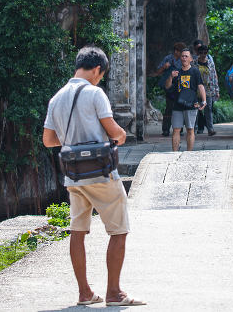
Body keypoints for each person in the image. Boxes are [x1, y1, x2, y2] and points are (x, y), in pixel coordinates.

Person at [42, 46, 144, 307]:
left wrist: (74, 140)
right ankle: (114, 293)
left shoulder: (57, 98)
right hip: (100, 173)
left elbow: (49, 140)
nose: (100, 79)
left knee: (77, 231)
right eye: (101, 74)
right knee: (119, 230)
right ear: (97, 69)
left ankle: (85, 293)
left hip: (73, 175)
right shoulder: (95, 93)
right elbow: (113, 131)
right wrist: (120, 135)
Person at [164, 49, 206, 152]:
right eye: (182, 56)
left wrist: (204, 101)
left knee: (190, 129)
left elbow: (200, 86)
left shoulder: (195, 71)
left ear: (191, 59)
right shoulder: (176, 71)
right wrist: (170, 76)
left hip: (191, 104)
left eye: (186, 56)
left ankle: (189, 153)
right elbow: (167, 86)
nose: (184, 58)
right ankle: (175, 153)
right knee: (176, 129)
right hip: (177, 105)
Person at [152, 42, 185, 137]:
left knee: (180, 107)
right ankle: (166, 129)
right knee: (169, 108)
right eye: (180, 52)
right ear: (176, 51)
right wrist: (164, 67)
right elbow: (158, 71)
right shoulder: (168, 58)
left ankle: (180, 129)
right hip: (169, 85)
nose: (182, 55)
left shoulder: (184, 60)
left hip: (180, 86)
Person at [194, 43, 219, 136]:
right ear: (198, 53)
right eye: (201, 52)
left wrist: (216, 90)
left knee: (208, 109)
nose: (203, 54)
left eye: (205, 52)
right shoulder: (194, 63)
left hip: (208, 88)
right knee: (196, 109)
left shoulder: (210, 63)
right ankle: (194, 129)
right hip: (196, 89)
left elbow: (214, 77)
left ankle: (210, 129)